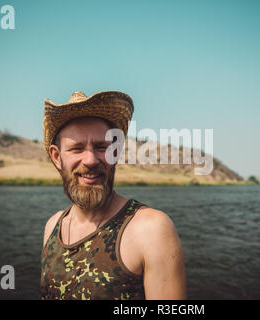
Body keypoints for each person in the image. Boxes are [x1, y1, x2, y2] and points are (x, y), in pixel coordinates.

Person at [40, 91, 186, 300]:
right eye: (76, 148)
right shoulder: (53, 226)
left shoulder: (151, 230)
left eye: (101, 147)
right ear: (56, 157)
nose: (90, 160)